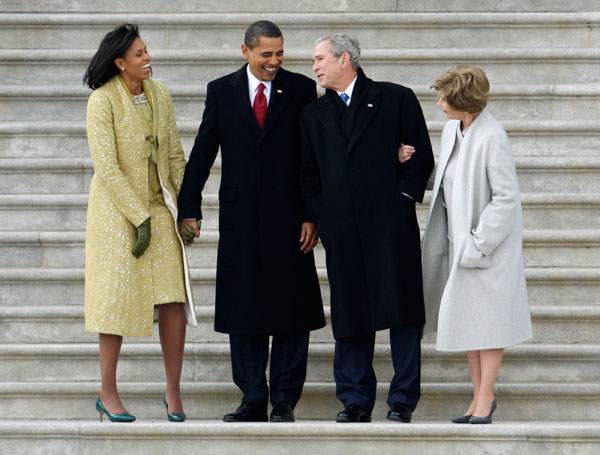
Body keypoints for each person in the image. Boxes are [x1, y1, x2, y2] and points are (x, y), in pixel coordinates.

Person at [177, 20, 325, 423]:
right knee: (244, 310)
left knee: (292, 312)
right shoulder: (221, 91)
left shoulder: (299, 89)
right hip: (241, 219)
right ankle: (252, 398)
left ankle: (283, 402)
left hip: (291, 218)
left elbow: (311, 157)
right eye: (266, 54)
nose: (275, 61)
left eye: (280, 53)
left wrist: (312, 214)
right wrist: (188, 206)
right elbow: (204, 150)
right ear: (246, 52)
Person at [300, 34, 434, 423]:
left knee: (403, 312)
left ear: (345, 60)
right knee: (350, 314)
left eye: (320, 58)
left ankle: (402, 400)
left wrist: (403, 199)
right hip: (342, 230)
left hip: (391, 227)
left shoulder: (395, 98)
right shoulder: (313, 115)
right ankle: (355, 400)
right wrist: (322, 217)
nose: (315, 66)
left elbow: (420, 154)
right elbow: (308, 174)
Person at [83, 23, 197, 423]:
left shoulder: (159, 94)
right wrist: (139, 217)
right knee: (114, 301)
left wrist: (185, 209)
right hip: (116, 213)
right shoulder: (101, 101)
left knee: (172, 298)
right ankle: (107, 393)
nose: (147, 59)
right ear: (119, 62)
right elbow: (107, 169)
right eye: (139, 54)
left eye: (147, 51)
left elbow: (175, 156)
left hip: (159, 207)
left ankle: (172, 391)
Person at [418, 65, 532, 424]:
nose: (439, 105)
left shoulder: (492, 136)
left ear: (464, 101)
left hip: (487, 249)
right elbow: (450, 174)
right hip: (458, 241)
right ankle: (476, 397)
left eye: (445, 98)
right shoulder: (454, 127)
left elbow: (506, 198)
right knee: (468, 322)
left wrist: (479, 243)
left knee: (489, 324)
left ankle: (486, 398)